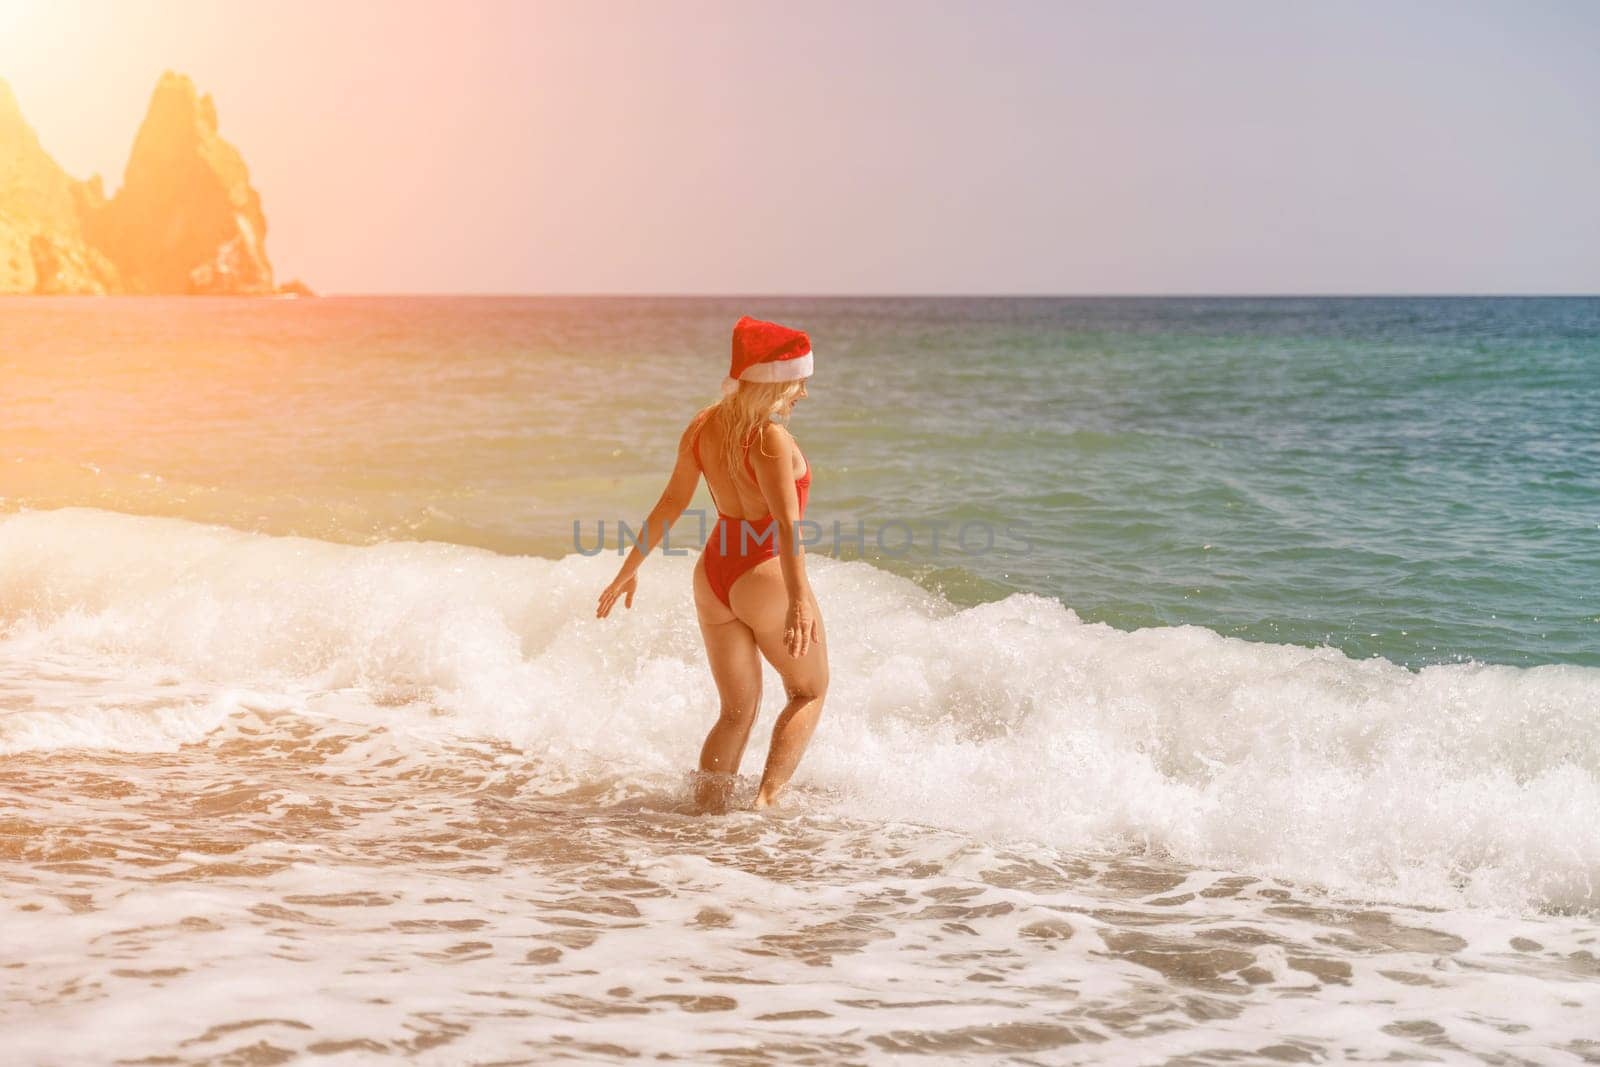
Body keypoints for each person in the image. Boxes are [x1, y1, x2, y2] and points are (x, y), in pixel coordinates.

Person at [596, 316, 827, 813]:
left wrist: (628, 568)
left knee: (735, 712)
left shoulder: (703, 425)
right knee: (808, 690)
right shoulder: (771, 439)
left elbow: (671, 503)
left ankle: (705, 815)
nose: (802, 394)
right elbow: (786, 528)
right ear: (775, 380)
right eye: (798, 382)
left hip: (715, 572)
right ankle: (765, 805)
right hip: (763, 569)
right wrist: (800, 600)